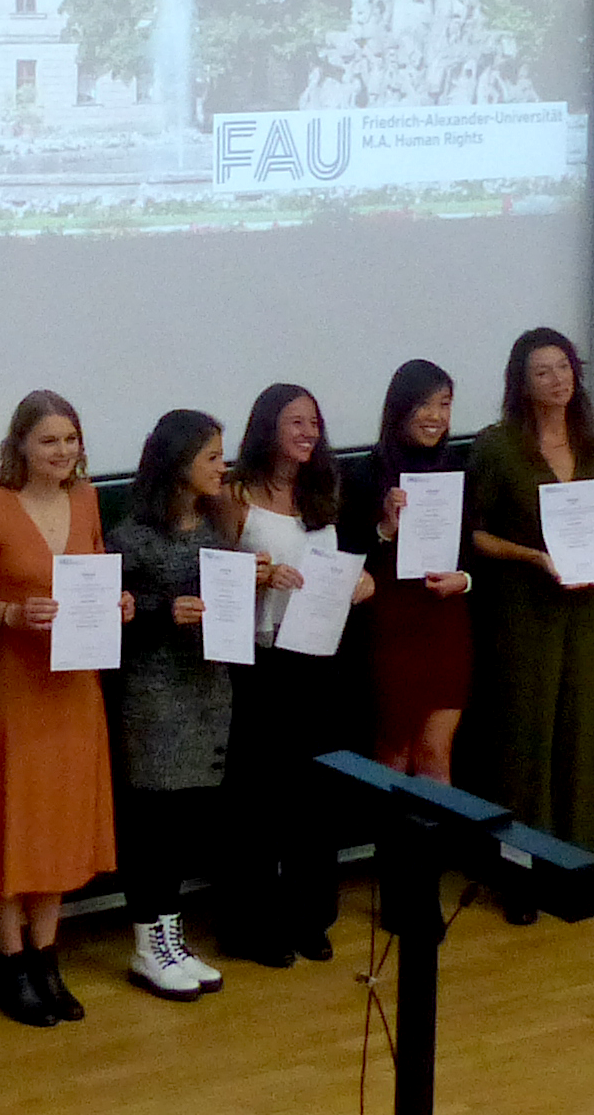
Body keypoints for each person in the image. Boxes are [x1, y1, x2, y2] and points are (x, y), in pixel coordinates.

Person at [0, 389, 132, 1027]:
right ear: (21, 448)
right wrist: (11, 612)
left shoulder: (86, 499)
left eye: (70, 439)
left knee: (59, 823)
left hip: (75, 687)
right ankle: (9, 965)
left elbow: (95, 578)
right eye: (48, 441)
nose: (62, 452)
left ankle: (46, 958)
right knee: (15, 823)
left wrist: (118, 604)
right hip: (18, 689)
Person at [466, 329, 594, 916]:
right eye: (542, 372)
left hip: (587, 604)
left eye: (564, 368)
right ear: (521, 384)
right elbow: (476, 536)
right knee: (526, 741)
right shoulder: (497, 445)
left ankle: (575, 872)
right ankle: (520, 876)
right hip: (524, 607)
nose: (557, 380)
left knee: (582, 736)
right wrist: (534, 556)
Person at [219, 381, 373, 965]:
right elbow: (212, 577)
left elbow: (351, 560)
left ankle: (312, 916)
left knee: (316, 794)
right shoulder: (234, 493)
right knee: (259, 798)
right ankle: (253, 924)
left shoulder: (323, 488)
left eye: (314, 423)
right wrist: (256, 576)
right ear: (268, 428)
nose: (308, 433)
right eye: (295, 423)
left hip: (319, 656)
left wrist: (365, 583)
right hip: (260, 662)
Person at [107, 408, 235, 1000]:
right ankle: (146, 942)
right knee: (152, 820)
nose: (221, 466)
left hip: (207, 687)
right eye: (211, 456)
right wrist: (163, 612)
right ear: (180, 463)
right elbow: (112, 621)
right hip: (154, 693)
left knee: (184, 819)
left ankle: (171, 933)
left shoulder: (215, 526)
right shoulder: (130, 536)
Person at [340, 359, 474, 781]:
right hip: (390, 621)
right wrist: (384, 527)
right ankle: (394, 847)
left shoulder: (458, 468)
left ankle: (436, 850)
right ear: (399, 408)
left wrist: (465, 579)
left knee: (436, 749)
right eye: (424, 405)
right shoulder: (366, 472)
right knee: (395, 751)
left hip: (445, 617)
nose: (436, 416)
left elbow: (475, 547)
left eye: (445, 404)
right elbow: (344, 553)